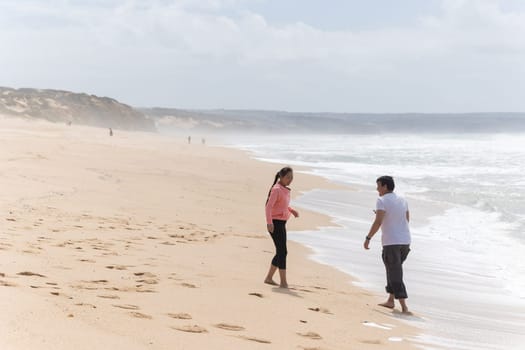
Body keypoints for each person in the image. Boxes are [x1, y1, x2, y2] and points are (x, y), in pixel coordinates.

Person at [364, 176, 412, 314]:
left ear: (385, 186)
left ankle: (404, 306)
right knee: (393, 269)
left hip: (391, 242)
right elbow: (406, 219)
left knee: (394, 272)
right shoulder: (402, 199)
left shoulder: (381, 200)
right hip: (405, 241)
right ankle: (390, 300)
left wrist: (368, 238)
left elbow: (378, 222)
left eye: (378, 186)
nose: (377, 189)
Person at [264, 167, 299, 288]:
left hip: (281, 223)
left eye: (292, 178)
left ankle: (269, 278)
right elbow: (269, 207)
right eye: (288, 177)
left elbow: (282, 205)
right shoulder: (276, 189)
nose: (290, 180)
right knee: (282, 252)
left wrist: (291, 210)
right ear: (281, 177)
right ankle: (283, 282)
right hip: (275, 223)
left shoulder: (284, 189)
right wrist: (269, 223)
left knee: (281, 251)